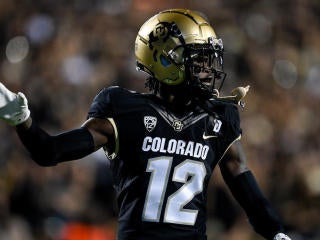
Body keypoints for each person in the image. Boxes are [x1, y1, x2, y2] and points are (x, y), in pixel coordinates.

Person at [0, 8, 291, 240]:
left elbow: (245, 186)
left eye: (208, 59)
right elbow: (49, 152)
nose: (207, 69)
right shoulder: (125, 109)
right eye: (197, 60)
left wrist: (276, 231)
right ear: (165, 60)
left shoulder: (219, 116)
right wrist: (23, 121)